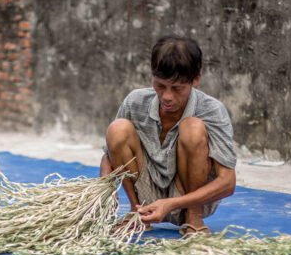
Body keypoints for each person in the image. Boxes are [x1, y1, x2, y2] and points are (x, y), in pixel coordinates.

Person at [99, 35, 237, 235]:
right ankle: (137, 214)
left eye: (177, 88)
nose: (167, 97)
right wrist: (105, 187)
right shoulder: (135, 101)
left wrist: (171, 203)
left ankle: (193, 217)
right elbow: (108, 154)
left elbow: (227, 182)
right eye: (160, 86)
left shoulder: (212, 111)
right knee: (117, 128)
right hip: (146, 195)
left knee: (193, 128)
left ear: (195, 79)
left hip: (190, 196)